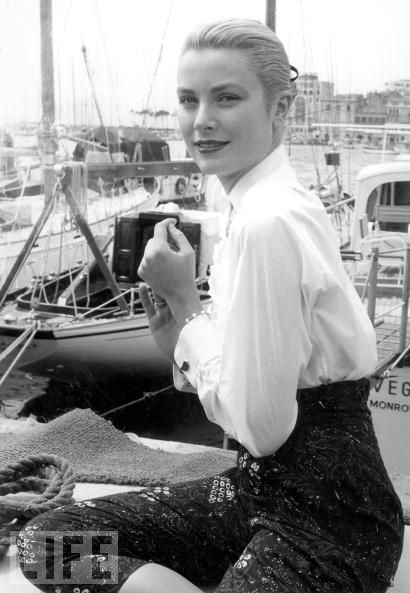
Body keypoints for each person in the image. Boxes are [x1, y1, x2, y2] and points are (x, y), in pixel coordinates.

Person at [18, 18, 404, 593]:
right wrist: (181, 335)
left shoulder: (266, 223)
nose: (202, 121)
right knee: (47, 544)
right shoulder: (256, 208)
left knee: (53, 549)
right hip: (259, 493)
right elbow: (255, 386)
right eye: (187, 100)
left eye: (227, 98)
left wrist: (184, 303)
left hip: (327, 522)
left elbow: (263, 429)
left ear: (282, 107)